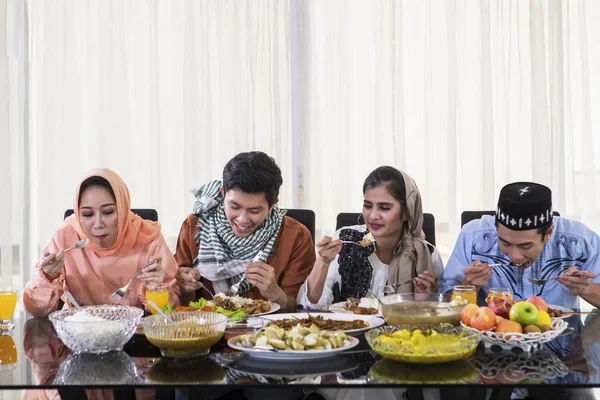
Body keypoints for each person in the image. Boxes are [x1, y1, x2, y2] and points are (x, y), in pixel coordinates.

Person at [23, 168, 180, 317]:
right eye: (87, 214)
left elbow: (171, 311)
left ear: (123, 209)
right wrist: (47, 277)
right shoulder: (65, 238)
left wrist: (157, 289)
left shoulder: (149, 239)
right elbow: (35, 310)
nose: (98, 223)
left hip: (136, 337)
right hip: (78, 335)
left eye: (108, 212)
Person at [174, 151, 316, 312]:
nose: (242, 219)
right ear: (222, 193)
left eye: (254, 210)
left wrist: (275, 293)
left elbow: (301, 309)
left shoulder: (296, 237)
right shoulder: (195, 226)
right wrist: (185, 286)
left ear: (272, 205)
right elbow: (179, 306)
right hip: (206, 331)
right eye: (234, 207)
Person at [298, 166, 443, 307]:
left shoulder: (427, 256)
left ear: (407, 212)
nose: (373, 216)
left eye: (384, 208)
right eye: (367, 206)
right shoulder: (344, 239)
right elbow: (309, 305)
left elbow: (440, 317)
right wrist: (322, 262)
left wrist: (427, 301)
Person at [441, 181, 600, 310]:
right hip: (487, 342)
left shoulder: (579, 240)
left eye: (525, 246)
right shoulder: (473, 235)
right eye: (505, 243)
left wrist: (586, 288)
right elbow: (443, 306)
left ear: (549, 232)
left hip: (563, 344)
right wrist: (468, 286)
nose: (515, 256)